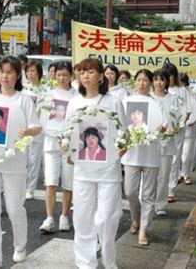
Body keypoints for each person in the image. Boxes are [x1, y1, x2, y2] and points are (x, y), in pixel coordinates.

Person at [0, 56, 41, 268]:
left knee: (14, 208)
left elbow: (37, 126)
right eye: (0, 71)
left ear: (17, 75)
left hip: (14, 162)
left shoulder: (24, 99)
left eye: (9, 72)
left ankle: (20, 246)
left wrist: (30, 131)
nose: (4, 76)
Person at [66, 58, 126, 268]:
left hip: (108, 170)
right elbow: (68, 133)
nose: (85, 76)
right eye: (81, 73)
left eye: (90, 72)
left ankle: (110, 261)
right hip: (83, 170)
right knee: (82, 218)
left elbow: (123, 133)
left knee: (106, 219)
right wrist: (65, 146)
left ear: (101, 76)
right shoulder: (74, 102)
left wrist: (122, 146)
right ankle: (85, 263)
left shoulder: (113, 102)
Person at [122, 69, 167, 246]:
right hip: (131, 155)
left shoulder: (157, 103)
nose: (142, 83)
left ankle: (143, 229)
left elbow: (164, 124)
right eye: (139, 80)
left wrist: (163, 129)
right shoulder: (126, 102)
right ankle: (136, 218)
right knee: (130, 191)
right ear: (135, 82)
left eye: (145, 80)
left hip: (151, 154)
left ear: (150, 83)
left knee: (148, 194)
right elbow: (119, 124)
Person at [39, 60, 77, 233]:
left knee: (68, 184)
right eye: (59, 74)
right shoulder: (48, 95)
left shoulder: (77, 97)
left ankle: (64, 216)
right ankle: (49, 218)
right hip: (51, 143)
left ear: (71, 76)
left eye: (65, 75)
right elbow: (42, 119)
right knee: (51, 182)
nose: (62, 78)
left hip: (69, 146)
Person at [162, 63, 191, 203]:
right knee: (161, 159)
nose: (168, 79)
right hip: (161, 130)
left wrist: (178, 125)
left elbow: (188, 110)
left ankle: (170, 189)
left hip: (177, 130)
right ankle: (159, 189)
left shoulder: (182, 91)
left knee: (174, 160)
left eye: (171, 76)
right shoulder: (159, 89)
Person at [151, 69, 178, 216]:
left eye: (161, 80)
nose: (158, 83)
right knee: (149, 175)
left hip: (167, 142)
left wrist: (173, 129)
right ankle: (147, 202)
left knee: (163, 175)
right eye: (156, 80)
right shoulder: (148, 98)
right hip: (150, 142)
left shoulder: (172, 99)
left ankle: (160, 204)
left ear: (166, 81)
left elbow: (177, 118)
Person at [23, 60, 45, 200]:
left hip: (38, 129)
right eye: (28, 71)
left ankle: (30, 188)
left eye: (33, 71)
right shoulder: (23, 90)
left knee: (33, 160)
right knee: (22, 159)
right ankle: (20, 186)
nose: (30, 74)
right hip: (24, 129)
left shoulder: (45, 90)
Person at [179, 73, 196, 186]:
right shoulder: (174, 93)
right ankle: (178, 174)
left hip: (189, 130)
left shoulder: (191, 94)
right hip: (176, 130)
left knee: (187, 155)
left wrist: (192, 120)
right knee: (175, 156)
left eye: (182, 83)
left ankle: (186, 174)